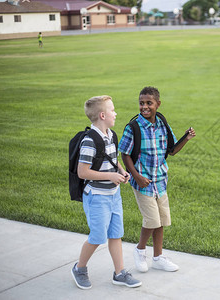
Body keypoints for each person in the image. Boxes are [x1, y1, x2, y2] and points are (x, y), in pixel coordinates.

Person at [119, 86, 196, 273]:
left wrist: (186, 138)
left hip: (160, 180)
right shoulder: (133, 127)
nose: (144, 107)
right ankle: (139, 250)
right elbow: (125, 153)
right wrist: (136, 176)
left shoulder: (162, 123)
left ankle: (158, 257)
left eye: (149, 103)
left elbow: (172, 150)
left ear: (158, 104)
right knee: (152, 220)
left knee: (161, 220)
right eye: (141, 103)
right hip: (143, 183)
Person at [71, 95, 141, 289]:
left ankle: (119, 273)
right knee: (97, 236)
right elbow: (82, 172)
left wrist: (120, 170)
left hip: (113, 195)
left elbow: (110, 159)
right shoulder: (89, 141)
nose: (115, 113)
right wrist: (110, 177)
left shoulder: (111, 135)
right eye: (112, 110)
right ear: (102, 115)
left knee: (116, 234)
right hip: (96, 197)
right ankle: (79, 268)